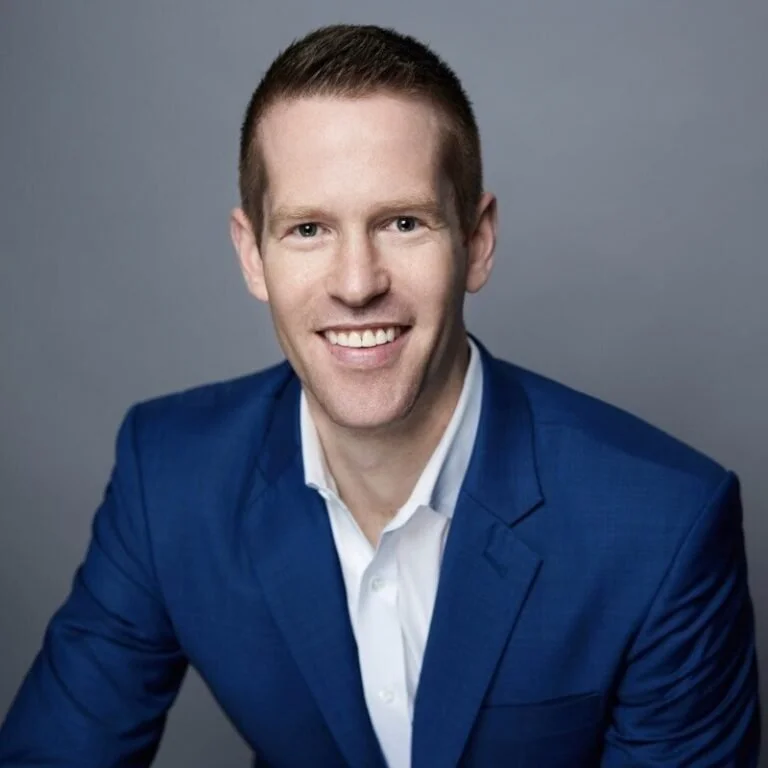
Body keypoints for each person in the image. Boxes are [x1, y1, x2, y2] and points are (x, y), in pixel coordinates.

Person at [0, 23, 759, 768]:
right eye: (307, 229)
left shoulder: (662, 526)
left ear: (477, 240)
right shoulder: (167, 477)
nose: (357, 284)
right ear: (251, 254)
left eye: (403, 222)